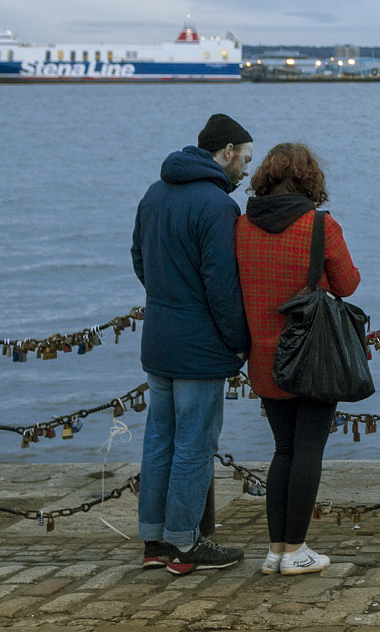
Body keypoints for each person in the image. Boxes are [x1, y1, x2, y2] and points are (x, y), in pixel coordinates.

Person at [132, 113, 254, 575]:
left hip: (158, 338)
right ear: (226, 154)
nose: (245, 168)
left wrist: (167, 298)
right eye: (244, 158)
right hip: (199, 347)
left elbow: (138, 259)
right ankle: (185, 545)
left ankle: (154, 540)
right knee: (194, 445)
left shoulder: (154, 193)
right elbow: (222, 286)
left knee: (159, 440)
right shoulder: (218, 207)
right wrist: (238, 342)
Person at [234, 141, 361, 576]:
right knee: (309, 450)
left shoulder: (241, 227)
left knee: (283, 449)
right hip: (312, 355)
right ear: (312, 179)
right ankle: (297, 550)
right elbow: (347, 284)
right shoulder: (320, 225)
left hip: (264, 360)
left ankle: (275, 551)